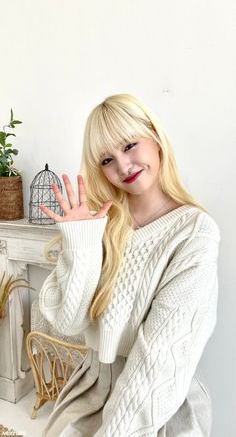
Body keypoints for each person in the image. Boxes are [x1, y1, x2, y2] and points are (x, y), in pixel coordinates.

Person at [39, 93, 220, 437]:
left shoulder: (194, 232)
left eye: (130, 145)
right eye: (107, 159)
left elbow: (159, 362)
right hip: (91, 391)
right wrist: (82, 243)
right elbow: (68, 321)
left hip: (160, 405)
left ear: (154, 137)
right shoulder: (99, 224)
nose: (123, 167)